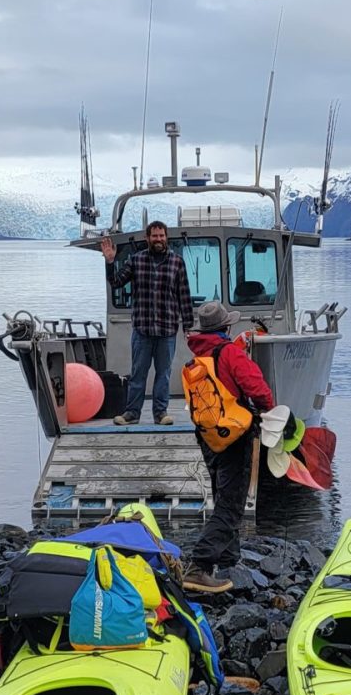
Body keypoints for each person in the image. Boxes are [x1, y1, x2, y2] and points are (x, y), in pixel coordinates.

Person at [181, 299, 274, 595]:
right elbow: (257, 388)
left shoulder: (197, 357)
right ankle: (199, 567)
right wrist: (270, 412)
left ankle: (229, 560)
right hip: (235, 434)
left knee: (222, 495)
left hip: (208, 436)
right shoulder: (230, 352)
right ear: (226, 327)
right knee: (232, 505)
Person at [98, 218, 193, 425]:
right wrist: (110, 262)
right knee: (138, 374)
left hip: (167, 330)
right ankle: (132, 413)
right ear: (147, 238)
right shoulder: (136, 260)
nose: (159, 239)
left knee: (163, 374)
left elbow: (184, 295)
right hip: (142, 330)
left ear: (166, 237)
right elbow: (116, 282)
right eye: (155, 236)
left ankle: (161, 413)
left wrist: (188, 326)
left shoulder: (177, 262)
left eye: (162, 235)